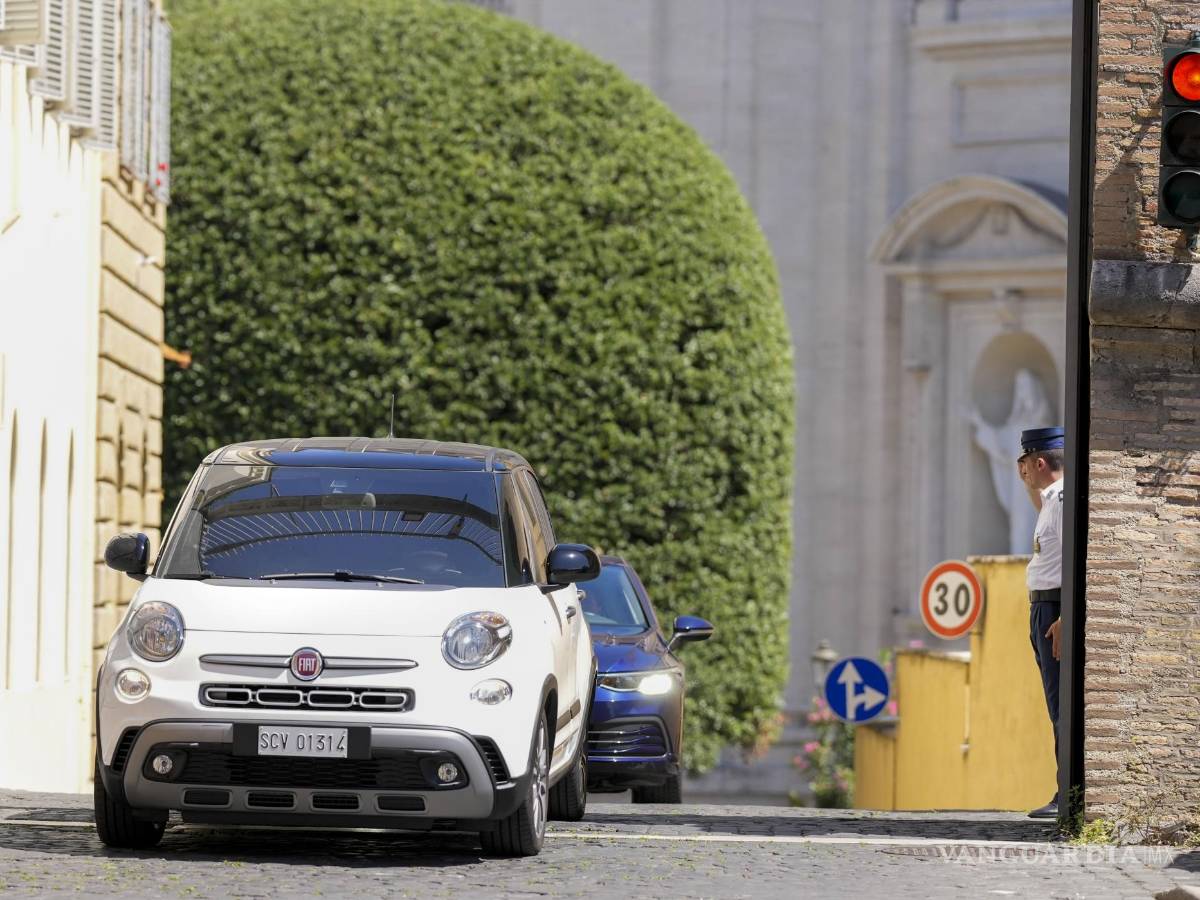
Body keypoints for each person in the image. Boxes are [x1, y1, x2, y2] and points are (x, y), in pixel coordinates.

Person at [1017, 426, 1065, 820]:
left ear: (1040, 461)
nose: (1022, 472)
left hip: (1055, 610)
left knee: (1060, 703)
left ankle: (1067, 793)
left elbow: (1076, 558)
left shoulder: (1064, 501)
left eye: (1025, 465)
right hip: (1043, 609)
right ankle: (1065, 789)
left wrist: (1067, 615)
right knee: (1055, 702)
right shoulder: (1051, 501)